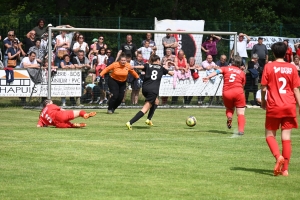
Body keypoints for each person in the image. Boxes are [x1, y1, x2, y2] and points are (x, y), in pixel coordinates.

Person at [261, 42, 300, 177]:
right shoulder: (292, 68)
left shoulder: (269, 66)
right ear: (286, 53)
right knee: (286, 137)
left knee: (269, 135)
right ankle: (285, 170)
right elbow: (295, 89)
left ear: (273, 53)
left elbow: (264, 87)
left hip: (274, 106)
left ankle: (278, 157)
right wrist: (299, 106)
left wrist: (263, 101)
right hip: (289, 105)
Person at [126, 55, 174, 130]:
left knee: (156, 102)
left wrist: (134, 67)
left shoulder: (148, 65)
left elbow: (141, 66)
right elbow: (171, 73)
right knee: (145, 109)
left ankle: (149, 119)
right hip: (153, 90)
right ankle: (130, 122)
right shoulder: (161, 68)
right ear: (158, 60)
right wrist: (169, 65)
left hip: (145, 89)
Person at [203, 55, 246, 135]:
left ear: (231, 62)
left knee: (229, 108)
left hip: (227, 93)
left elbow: (217, 72)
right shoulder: (242, 73)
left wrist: (208, 77)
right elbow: (243, 85)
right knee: (241, 112)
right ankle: (241, 130)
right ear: (240, 63)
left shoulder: (225, 68)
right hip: (238, 92)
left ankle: (229, 116)